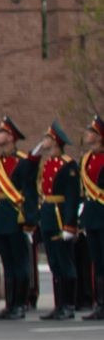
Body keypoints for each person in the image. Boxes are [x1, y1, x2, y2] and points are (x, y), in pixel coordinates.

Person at [0, 119, 36, 319]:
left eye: (0, 132)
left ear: (10, 137)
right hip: (0, 218)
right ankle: (9, 304)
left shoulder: (23, 162)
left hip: (17, 216)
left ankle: (20, 304)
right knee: (7, 263)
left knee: (20, 263)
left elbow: (30, 192)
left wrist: (30, 219)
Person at [36, 122, 81, 320]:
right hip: (48, 214)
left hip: (60, 215)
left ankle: (69, 305)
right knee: (54, 262)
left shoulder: (68, 164)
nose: (43, 141)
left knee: (65, 262)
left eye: (46, 138)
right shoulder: (48, 163)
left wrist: (70, 225)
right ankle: (59, 304)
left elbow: (72, 197)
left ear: (55, 141)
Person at [79, 116, 104, 322]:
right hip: (92, 216)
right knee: (97, 261)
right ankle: (100, 304)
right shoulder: (86, 159)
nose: (86, 134)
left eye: (90, 131)